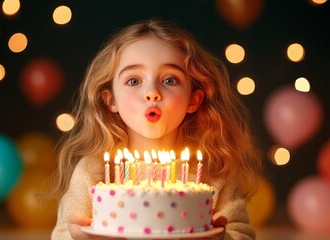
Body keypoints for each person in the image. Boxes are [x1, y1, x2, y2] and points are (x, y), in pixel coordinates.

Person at [51, 18, 262, 240]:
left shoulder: (213, 172)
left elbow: (241, 233)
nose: (152, 92)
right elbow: (62, 233)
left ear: (193, 99)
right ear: (110, 99)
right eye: (133, 81)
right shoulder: (93, 171)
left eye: (170, 80)